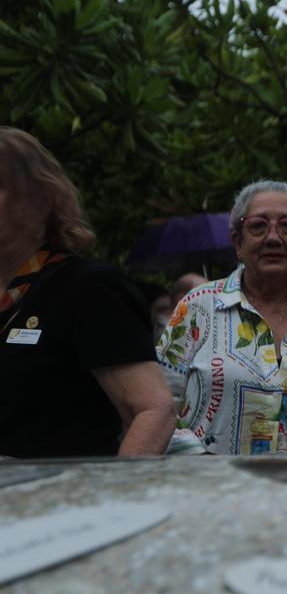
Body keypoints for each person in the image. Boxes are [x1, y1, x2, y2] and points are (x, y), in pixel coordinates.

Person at [0, 127, 174, 457]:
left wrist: (116, 500)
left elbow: (154, 411)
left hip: (57, 500)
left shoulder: (86, 288)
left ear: (38, 201)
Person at [158, 180, 287, 455]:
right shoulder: (197, 307)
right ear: (238, 242)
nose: (273, 237)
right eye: (258, 226)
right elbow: (159, 404)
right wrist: (202, 462)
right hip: (206, 487)